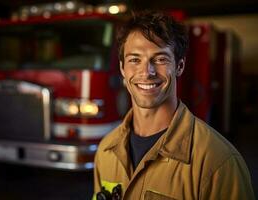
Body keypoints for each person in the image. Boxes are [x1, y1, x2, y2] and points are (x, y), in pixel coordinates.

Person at [93, 10, 255, 200]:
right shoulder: (106, 151)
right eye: (135, 60)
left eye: (161, 59)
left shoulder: (218, 161)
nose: (147, 72)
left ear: (179, 66)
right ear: (122, 68)